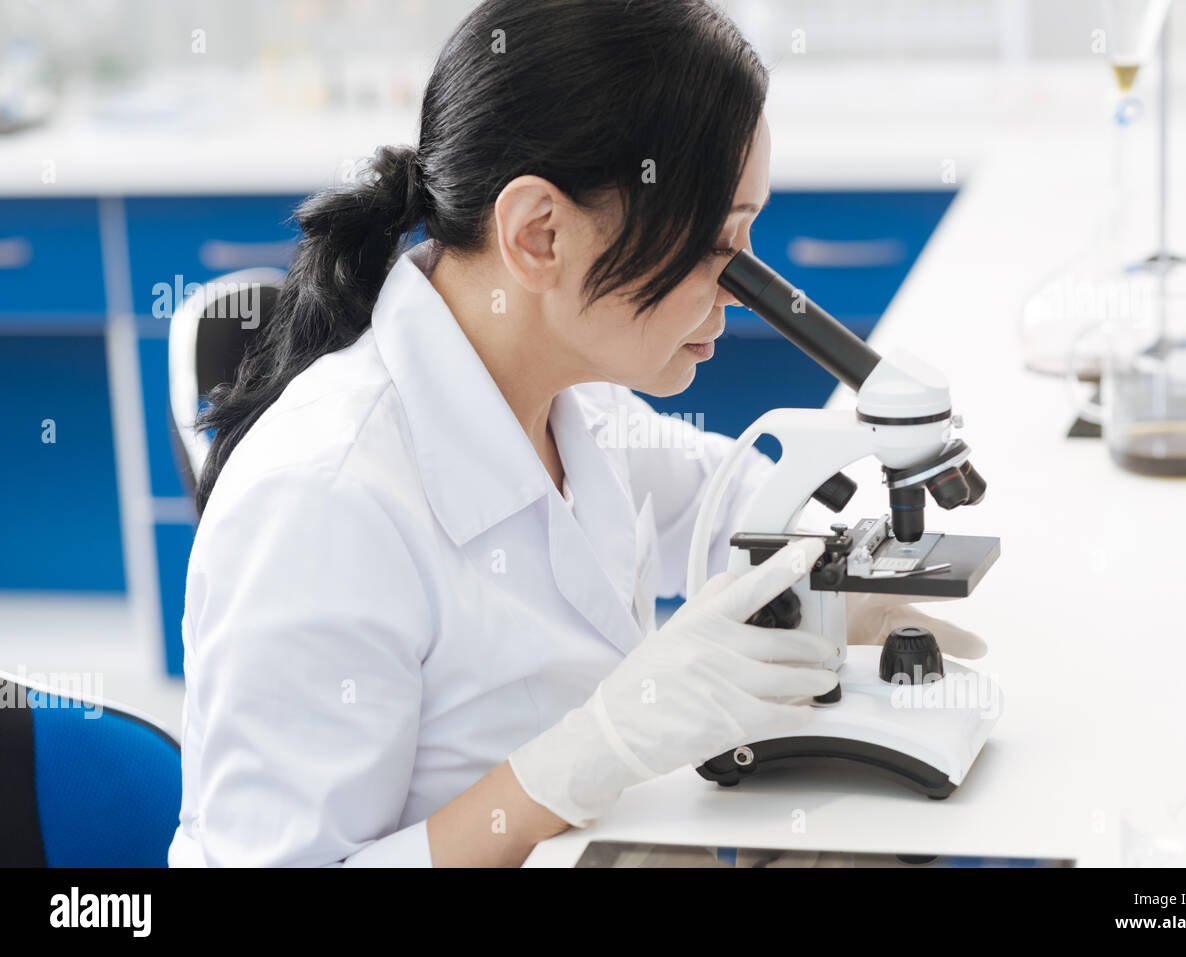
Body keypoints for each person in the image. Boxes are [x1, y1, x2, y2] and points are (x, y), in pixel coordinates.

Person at [168, 0, 983, 868]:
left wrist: (878, 596)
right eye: (718, 242)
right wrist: (576, 761)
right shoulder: (324, 499)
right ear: (539, 235)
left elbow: (735, 511)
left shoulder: (561, 397)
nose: (744, 289)